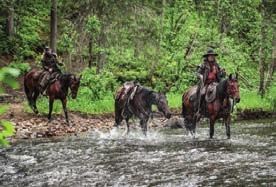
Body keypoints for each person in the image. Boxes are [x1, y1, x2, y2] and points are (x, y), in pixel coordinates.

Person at [196, 48, 225, 115]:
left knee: (224, 92)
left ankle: (223, 108)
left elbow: (221, 75)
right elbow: (197, 73)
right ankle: (199, 109)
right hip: (206, 83)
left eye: (213, 56)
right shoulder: (203, 65)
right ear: (207, 57)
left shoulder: (217, 65)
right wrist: (200, 76)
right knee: (202, 93)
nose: (212, 57)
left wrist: (223, 72)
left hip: (216, 83)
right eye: (210, 56)